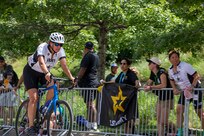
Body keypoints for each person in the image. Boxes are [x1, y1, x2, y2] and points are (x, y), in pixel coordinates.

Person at [22, 32, 75, 135]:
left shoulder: (60, 51)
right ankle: (31, 126)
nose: (59, 47)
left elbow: (64, 65)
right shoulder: (42, 47)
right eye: (56, 44)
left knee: (55, 85)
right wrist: (47, 73)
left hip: (44, 72)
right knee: (34, 98)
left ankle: (45, 108)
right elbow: (41, 62)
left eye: (61, 44)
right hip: (31, 72)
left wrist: (72, 78)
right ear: (50, 43)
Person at [168, 50, 204, 136]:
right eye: (172, 57)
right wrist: (174, 89)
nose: (175, 59)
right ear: (170, 60)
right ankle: (180, 132)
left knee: (199, 112)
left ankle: (203, 131)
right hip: (185, 92)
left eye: (176, 57)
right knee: (179, 109)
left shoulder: (185, 66)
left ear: (179, 58)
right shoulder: (170, 70)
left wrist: (192, 86)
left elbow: (197, 76)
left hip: (195, 90)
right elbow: (171, 80)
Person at [144, 57, 174, 136]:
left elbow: (163, 85)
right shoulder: (153, 73)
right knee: (158, 119)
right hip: (160, 98)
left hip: (168, 97)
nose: (148, 65)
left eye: (149, 63)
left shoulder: (162, 72)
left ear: (154, 64)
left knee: (163, 120)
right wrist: (145, 86)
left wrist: (151, 87)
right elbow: (149, 82)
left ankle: (176, 129)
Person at [77, 41, 100, 131]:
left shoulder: (87, 56)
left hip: (88, 83)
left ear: (85, 48)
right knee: (90, 104)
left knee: (90, 105)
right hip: (94, 83)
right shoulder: (96, 56)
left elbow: (83, 69)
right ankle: (91, 124)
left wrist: (77, 79)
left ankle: (93, 125)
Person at [115, 57, 140, 134]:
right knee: (125, 118)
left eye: (124, 64)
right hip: (123, 100)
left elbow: (137, 82)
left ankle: (131, 133)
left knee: (130, 117)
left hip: (130, 99)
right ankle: (126, 134)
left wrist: (137, 85)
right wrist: (105, 83)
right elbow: (115, 81)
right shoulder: (121, 74)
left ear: (128, 65)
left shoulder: (130, 74)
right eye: (121, 63)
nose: (122, 65)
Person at [0, 56, 19, 126]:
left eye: (1, 62)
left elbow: (9, 76)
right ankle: (5, 123)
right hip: (3, 91)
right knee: (1, 107)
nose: (0, 64)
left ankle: (11, 124)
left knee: (10, 107)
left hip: (11, 89)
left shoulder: (9, 67)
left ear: (3, 62)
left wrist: (5, 85)